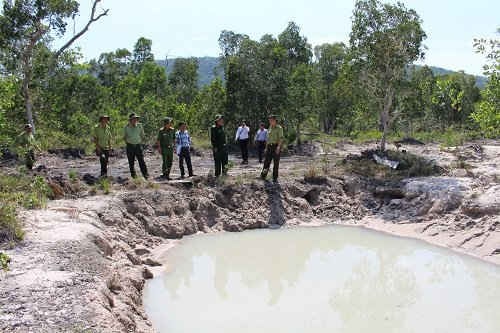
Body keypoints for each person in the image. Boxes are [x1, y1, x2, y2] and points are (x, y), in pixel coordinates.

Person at [123, 113, 149, 179]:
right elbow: (124, 137)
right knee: (131, 162)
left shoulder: (140, 126)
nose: (135, 120)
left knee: (141, 161)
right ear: (130, 120)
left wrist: (143, 142)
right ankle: (134, 176)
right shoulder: (126, 127)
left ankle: (145, 175)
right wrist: (128, 143)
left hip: (138, 145)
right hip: (130, 146)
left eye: (136, 119)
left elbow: (142, 135)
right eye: (133, 119)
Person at [260, 114, 284, 182]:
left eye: (271, 120)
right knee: (266, 162)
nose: (270, 122)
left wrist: (278, 147)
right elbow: (268, 139)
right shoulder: (270, 127)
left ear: (275, 120)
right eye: (269, 120)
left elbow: (281, 138)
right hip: (269, 146)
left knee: (276, 163)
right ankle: (263, 176)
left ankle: (275, 178)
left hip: (276, 146)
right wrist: (266, 148)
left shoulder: (279, 128)